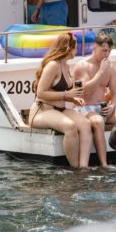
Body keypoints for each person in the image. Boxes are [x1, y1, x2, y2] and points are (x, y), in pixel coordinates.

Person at [27, 32, 90, 168]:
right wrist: (66, 95)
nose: (77, 49)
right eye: (75, 46)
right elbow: (41, 93)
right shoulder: (53, 65)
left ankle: (83, 167)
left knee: (85, 124)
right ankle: (75, 169)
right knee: (70, 126)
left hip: (60, 110)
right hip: (42, 111)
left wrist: (73, 99)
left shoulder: (66, 66)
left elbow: (65, 93)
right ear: (68, 47)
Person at [72, 33, 116, 168]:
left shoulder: (110, 68)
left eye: (109, 51)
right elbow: (84, 91)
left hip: (102, 108)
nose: (107, 54)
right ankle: (104, 164)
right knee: (98, 122)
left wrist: (113, 106)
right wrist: (101, 72)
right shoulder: (83, 65)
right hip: (84, 108)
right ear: (94, 47)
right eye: (104, 50)